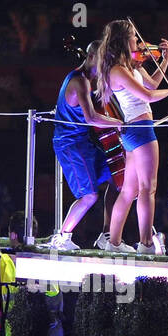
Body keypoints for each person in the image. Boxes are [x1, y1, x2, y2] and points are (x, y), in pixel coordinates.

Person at [94, 19, 168, 254]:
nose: (138, 41)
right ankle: (146, 243)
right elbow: (149, 96)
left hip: (135, 131)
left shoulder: (131, 64)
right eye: (133, 36)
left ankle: (114, 243)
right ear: (123, 40)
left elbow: (152, 83)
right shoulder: (118, 71)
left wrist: (165, 59)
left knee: (130, 191)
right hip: (140, 129)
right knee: (147, 189)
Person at [45, 42, 123, 251]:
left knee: (117, 178)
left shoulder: (87, 78)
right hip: (70, 144)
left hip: (83, 142)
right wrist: (118, 122)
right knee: (89, 196)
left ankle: (107, 235)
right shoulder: (80, 82)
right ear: (90, 58)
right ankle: (62, 237)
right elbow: (90, 117)